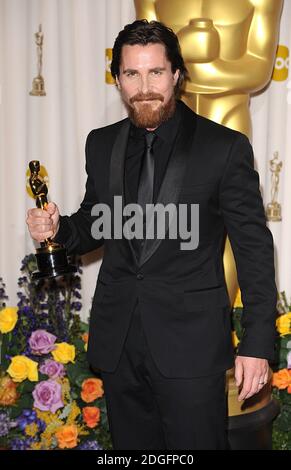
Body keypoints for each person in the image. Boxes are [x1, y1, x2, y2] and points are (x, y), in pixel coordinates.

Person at [26, 20, 277, 450]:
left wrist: (256, 342)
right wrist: (58, 229)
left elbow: (253, 251)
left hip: (191, 348)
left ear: (176, 74)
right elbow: (95, 221)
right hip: (120, 342)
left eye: (155, 72)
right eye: (131, 74)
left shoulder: (224, 148)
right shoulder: (101, 144)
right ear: (118, 80)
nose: (144, 86)